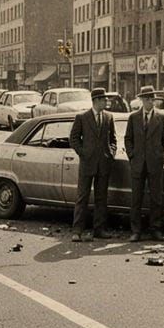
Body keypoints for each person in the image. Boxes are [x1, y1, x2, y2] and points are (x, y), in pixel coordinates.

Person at [124, 86, 164, 242]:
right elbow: (128, 139)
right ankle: (136, 231)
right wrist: (132, 156)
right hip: (138, 163)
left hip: (155, 163)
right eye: (146, 99)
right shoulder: (133, 118)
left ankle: (156, 230)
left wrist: (163, 157)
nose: (149, 102)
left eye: (152, 99)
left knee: (156, 199)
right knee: (136, 199)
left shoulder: (162, 118)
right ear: (141, 100)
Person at [68, 88, 116, 242]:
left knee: (101, 198)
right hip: (87, 163)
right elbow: (73, 138)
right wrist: (83, 153)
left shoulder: (108, 117)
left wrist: (111, 153)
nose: (106, 102)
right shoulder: (82, 117)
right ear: (95, 101)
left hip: (104, 163)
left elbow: (113, 139)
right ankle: (77, 231)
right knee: (82, 197)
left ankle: (99, 229)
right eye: (103, 100)